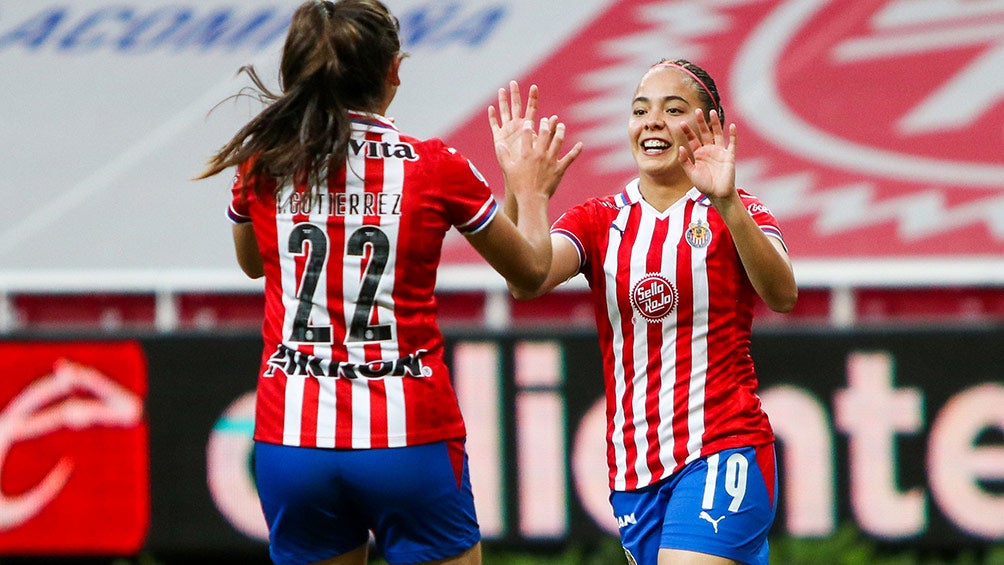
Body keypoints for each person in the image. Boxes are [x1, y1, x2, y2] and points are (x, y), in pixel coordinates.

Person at [196, 1, 581, 564]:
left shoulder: (263, 165)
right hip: (409, 438)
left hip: (293, 439)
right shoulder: (434, 167)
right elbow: (529, 277)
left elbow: (253, 263)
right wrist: (530, 191)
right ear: (393, 70)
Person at [490, 60, 797, 564]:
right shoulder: (599, 219)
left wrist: (729, 206)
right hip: (635, 472)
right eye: (640, 110)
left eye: (672, 110)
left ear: (709, 125)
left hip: (723, 445)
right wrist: (524, 191)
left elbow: (783, 295)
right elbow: (526, 279)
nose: (651, 121)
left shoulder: (736, 210)